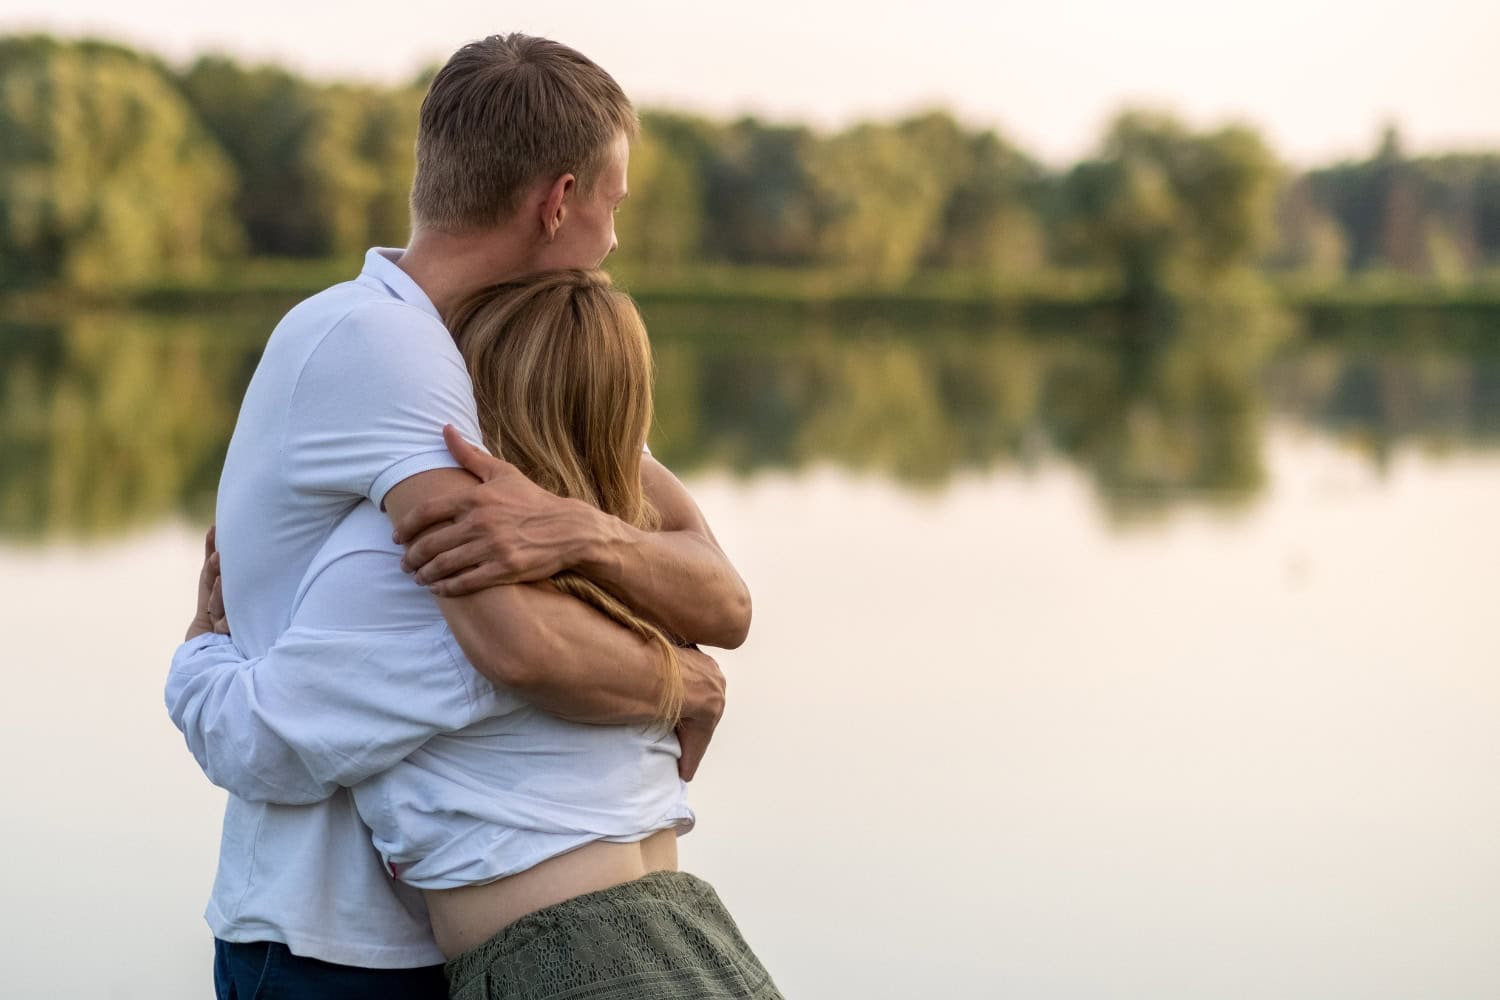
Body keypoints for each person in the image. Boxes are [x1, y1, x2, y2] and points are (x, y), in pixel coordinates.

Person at [165, 34, 749, 999]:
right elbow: (510, 642)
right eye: (615, 203)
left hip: (467, 943)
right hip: (334, 948)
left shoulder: (512, 363)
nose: (614, 236)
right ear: (559, 201)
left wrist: (585, 532)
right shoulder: (383, 345)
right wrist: (679, 684)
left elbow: (720, 591)